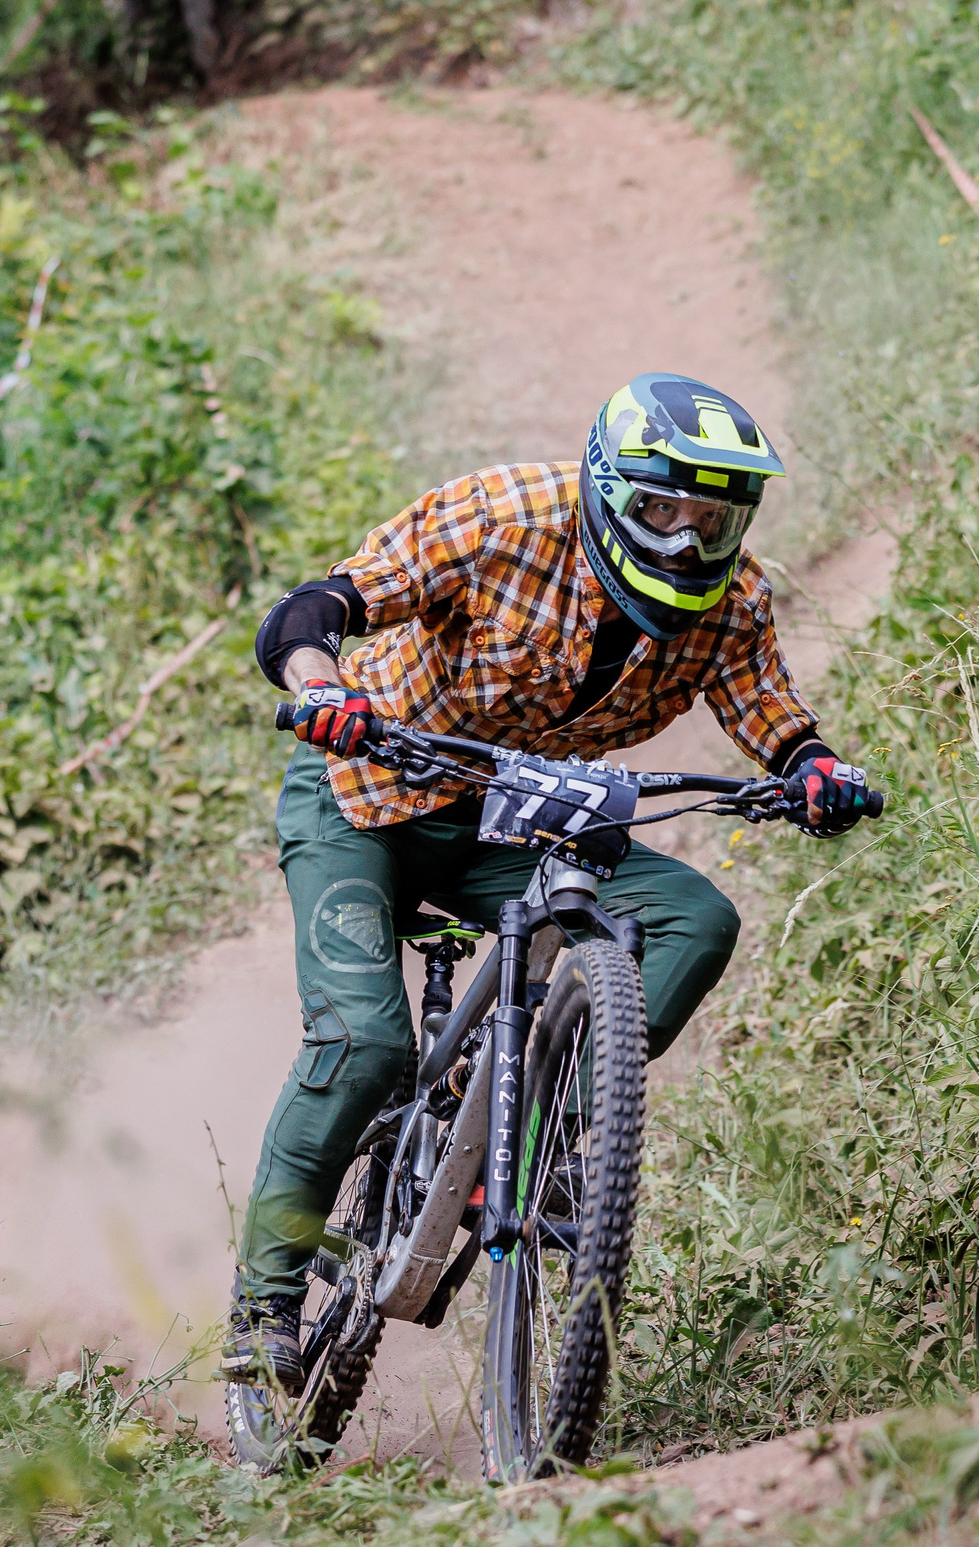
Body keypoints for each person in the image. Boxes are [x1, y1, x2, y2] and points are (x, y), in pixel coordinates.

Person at [222, 373, 873, 1385]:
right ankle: (264, 1307)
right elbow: (319, 606)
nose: (689, 538)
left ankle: (551, 1114)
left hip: (508, 823)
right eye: (664, 507)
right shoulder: (502, 517)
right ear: (612, 489)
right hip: (363, 794)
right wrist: (322, 687)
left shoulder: (731, 601)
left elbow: (771, 714)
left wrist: (815, 772)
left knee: (694, 917)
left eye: (715, 516)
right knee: (364, 1039)